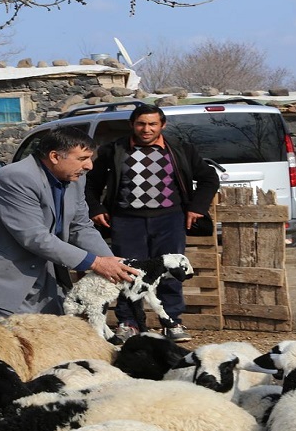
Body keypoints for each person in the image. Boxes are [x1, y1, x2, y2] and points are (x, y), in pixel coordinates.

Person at [0, 127, 135, 321]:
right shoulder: (16, 178)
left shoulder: (74, 178)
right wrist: (97, 263)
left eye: (90, 158)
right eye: (82, 159)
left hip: (37, 262)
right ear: (55, 156)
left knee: (52, 326)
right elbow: (34, 237)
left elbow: (80, 226)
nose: (89, 166)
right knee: (14, 336)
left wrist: (114, 264)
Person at [85, 104, 220, 342]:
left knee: (169, 271)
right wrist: (96, 208)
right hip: (127, 221)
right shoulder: (114, 150)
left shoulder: (179, 149)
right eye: (141, 124)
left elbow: (209, 178)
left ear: (162, 125)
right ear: (132, 125)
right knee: (128, 272)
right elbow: (90, 182)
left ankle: (172, 322)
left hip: (169, 219)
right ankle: (129, 323)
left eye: (152, 124)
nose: (146, 129)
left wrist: (196, 208)